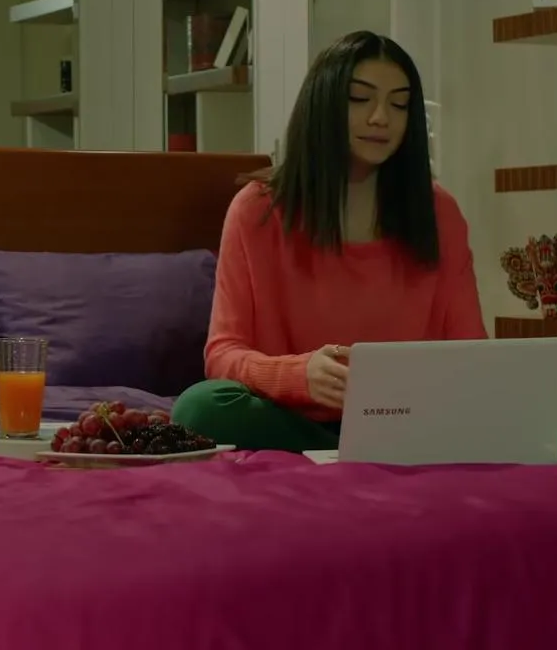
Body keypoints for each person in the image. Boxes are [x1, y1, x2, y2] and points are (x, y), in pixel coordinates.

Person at [172, 30, 487, 453]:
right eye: (360, 99)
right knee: (200, 408)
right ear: (323, 105)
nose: (381, 117)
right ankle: (343, 452)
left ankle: (359, 452)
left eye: (399, 104)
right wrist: (300, 375)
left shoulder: (438, 212)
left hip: (410, 419)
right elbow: (223, 354)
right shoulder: (257, 210)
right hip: (292, 419)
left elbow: (472, 351)